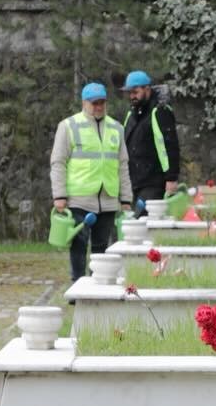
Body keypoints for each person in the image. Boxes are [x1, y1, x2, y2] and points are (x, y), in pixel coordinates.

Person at [51, 82, 132, 282]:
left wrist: (126, 198)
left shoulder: (116, 128)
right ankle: (77, 286)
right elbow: (58, 162)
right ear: (84, 103)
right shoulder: (68, 126)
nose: (98, 107)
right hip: (79, 199)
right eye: (94, 103)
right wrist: (59, 195)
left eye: (102, 103)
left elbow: (123, 165)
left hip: (108, 199)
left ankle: (99, 286)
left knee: (101, 248)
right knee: (79, 246)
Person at [121, 70, 180, 203]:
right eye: (129, 93)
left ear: (147, 89)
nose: (132, 96)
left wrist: (171, 178)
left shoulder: (160, 111)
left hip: (155, 182)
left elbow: (170, 145)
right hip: (134, 183)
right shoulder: (132, 115)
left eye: (135, 92)